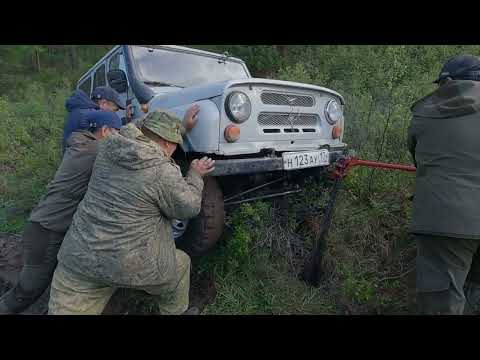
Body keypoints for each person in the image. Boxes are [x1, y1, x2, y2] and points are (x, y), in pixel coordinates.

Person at [47, 110, 215, 315]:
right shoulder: (162, 171)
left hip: (81, 256)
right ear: (168, 144)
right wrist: (195, 175)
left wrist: (177, 126)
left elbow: (137, 126)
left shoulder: (109, 146)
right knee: (180, 266)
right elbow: (189, 207)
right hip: (135, 265)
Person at [0, 113, 122, 314]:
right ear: (106, 130)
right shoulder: (96, 151)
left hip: (44, 227)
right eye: (117, 132)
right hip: (47, 232)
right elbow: (130, 156)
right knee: (26, 292)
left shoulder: (83, 146)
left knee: (51, 284)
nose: (119, 138)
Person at [408, 54, 480, 315]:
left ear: (447, 82)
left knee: (442, 304)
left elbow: (417, 158)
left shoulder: (425, 113)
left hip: (442, 222)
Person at [62, 86, 131, 152]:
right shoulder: (85, 116)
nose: (115, 114)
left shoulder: (81, 112)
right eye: (114, 110)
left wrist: (127, 119)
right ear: (103, 103)